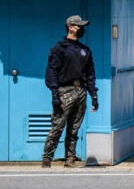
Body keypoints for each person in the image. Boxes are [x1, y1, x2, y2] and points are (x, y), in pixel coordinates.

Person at [42, 15, 98, 168]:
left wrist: (93, 95)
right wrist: (55, 94)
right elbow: (51, 72)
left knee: (74, 129)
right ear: (71, 27)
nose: (82, 29)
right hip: (64, 91)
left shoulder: (84, 50)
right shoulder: (59, 48)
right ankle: (46, 160)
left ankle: (70, 159)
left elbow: (90, 75)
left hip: (81, 91)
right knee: (57, 127)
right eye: (79, 26)